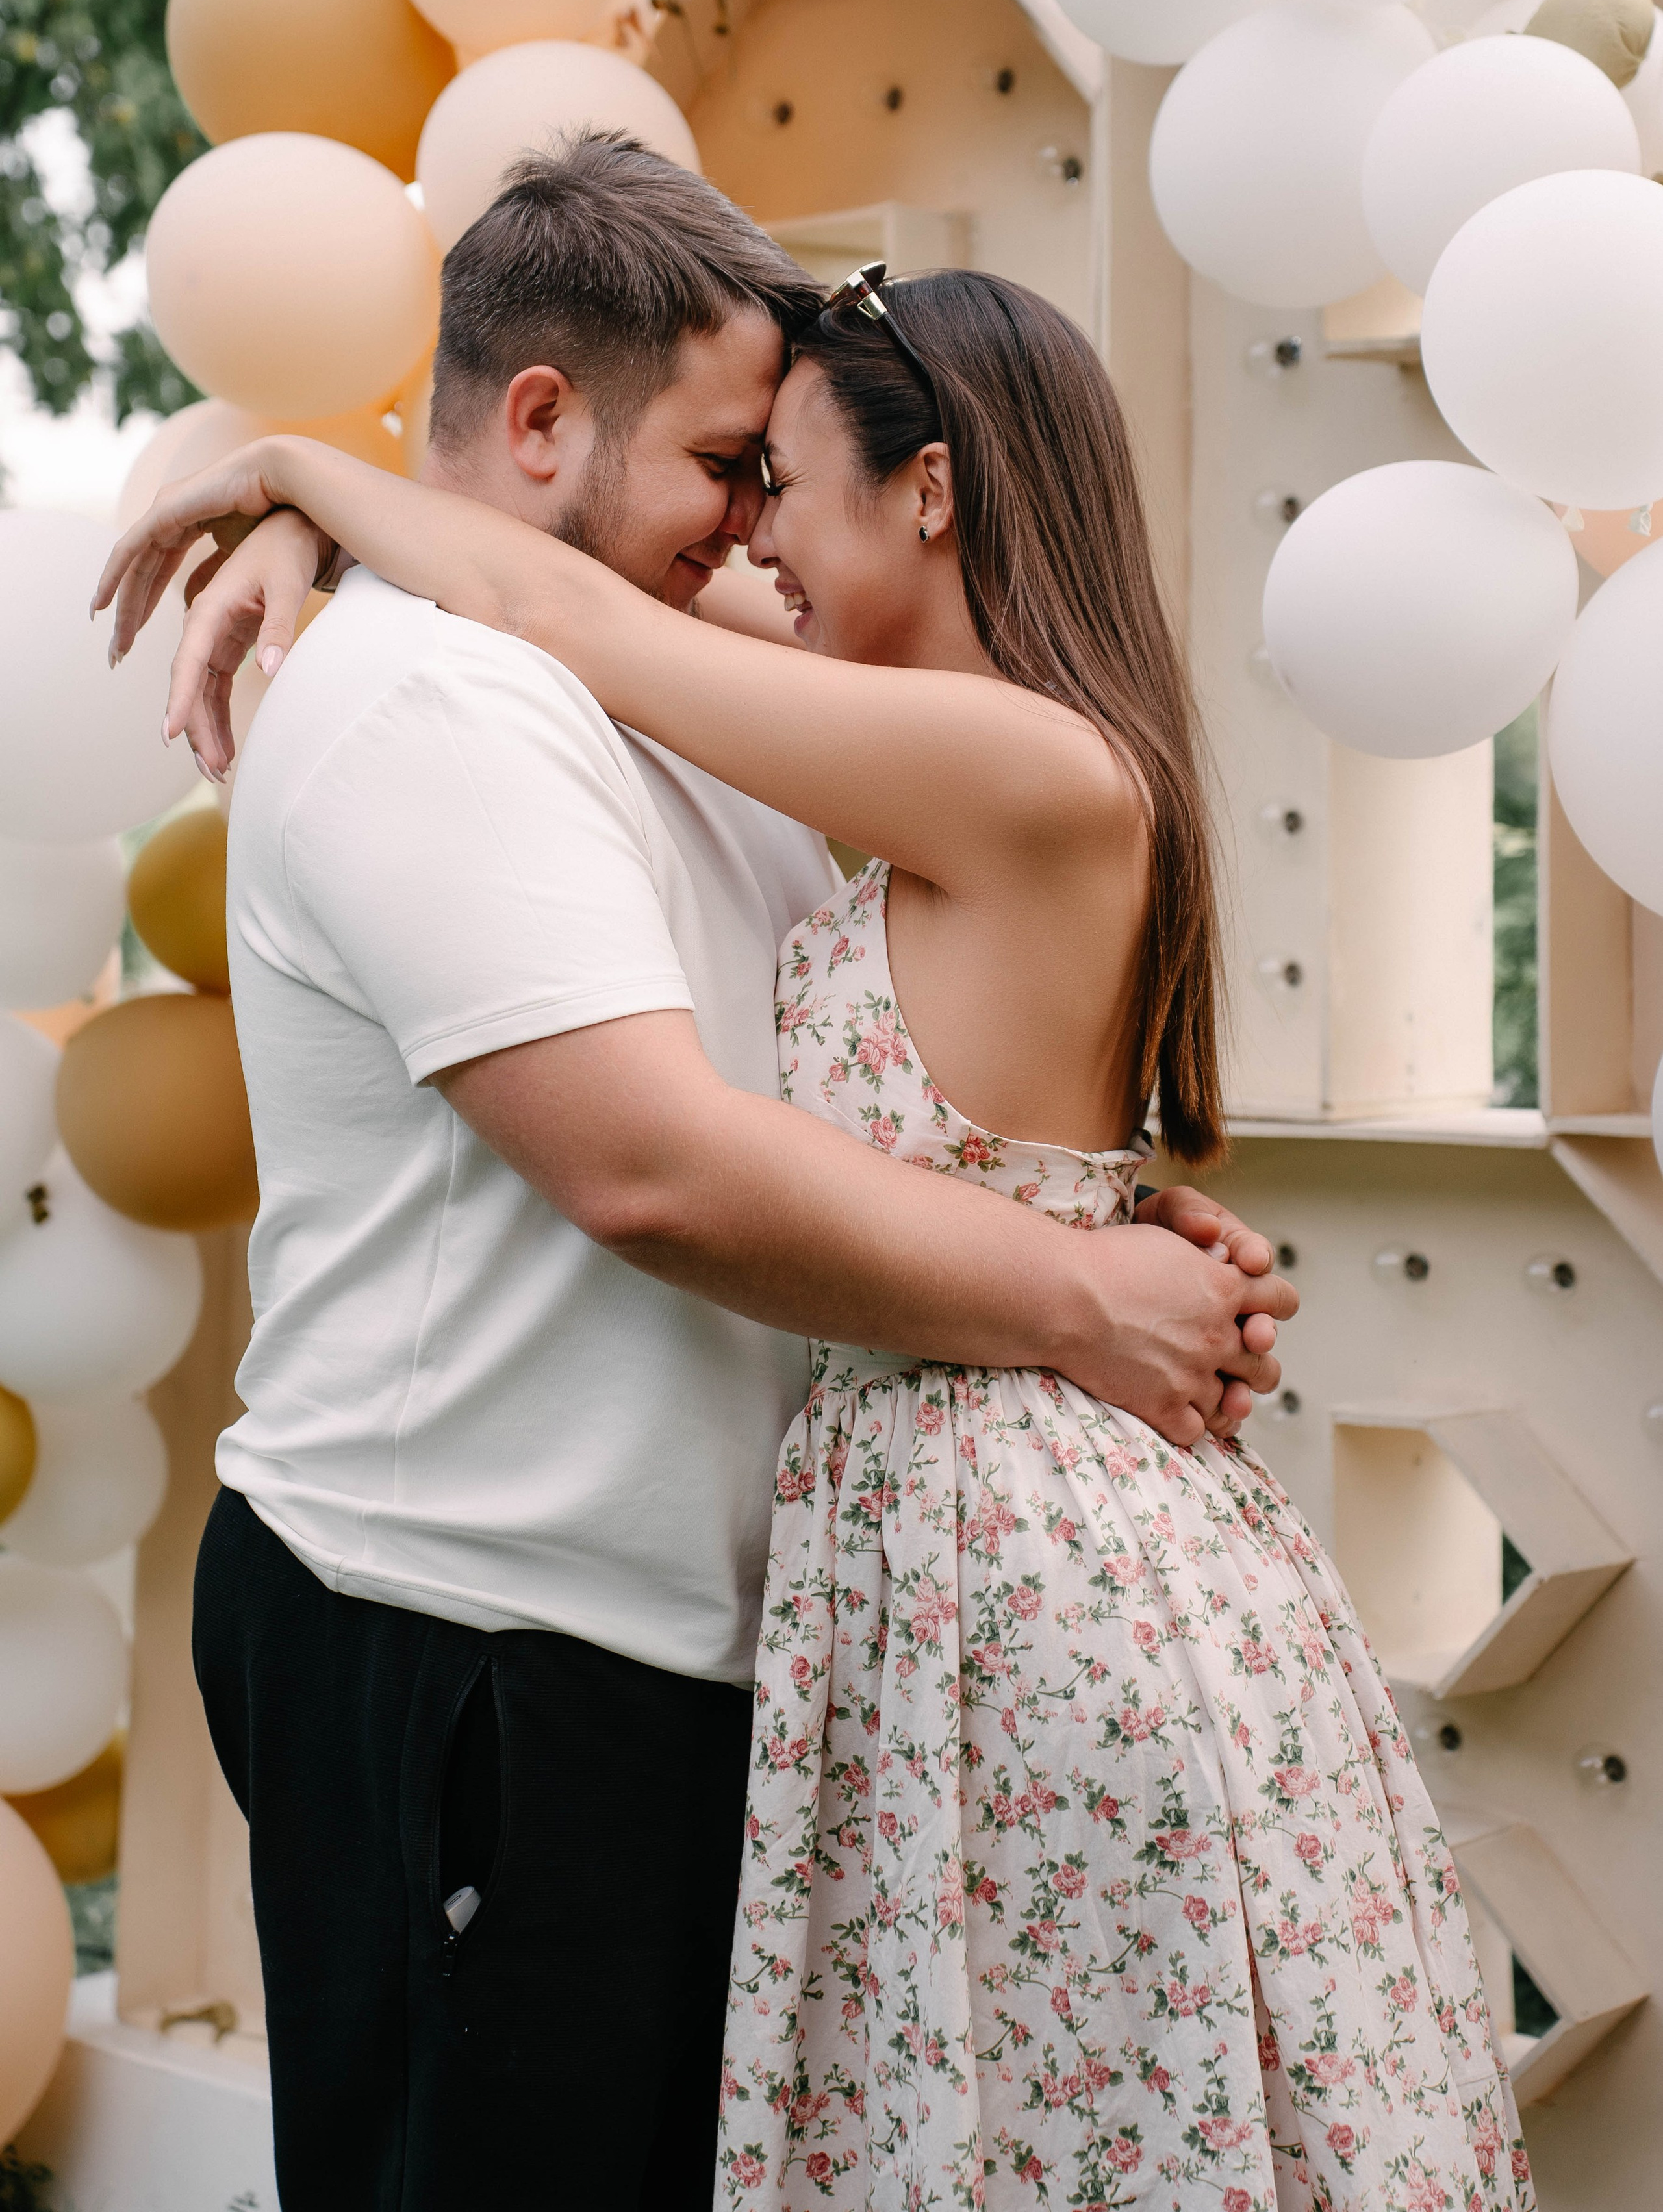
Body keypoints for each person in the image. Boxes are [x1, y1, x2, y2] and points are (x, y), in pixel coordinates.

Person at [103, 211, 1531, 2211]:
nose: (752, 530)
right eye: (725, 466)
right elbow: (654, 1156)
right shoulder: (491, 690)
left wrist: (295, 480)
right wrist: (1072, 1252)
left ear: (927, 487)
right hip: (483, 1627)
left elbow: (590, 625)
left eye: (778, 478)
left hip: (922, 1582)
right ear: (538, 424)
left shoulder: (840, 706)